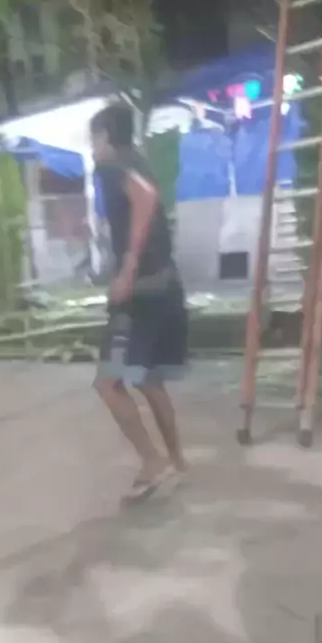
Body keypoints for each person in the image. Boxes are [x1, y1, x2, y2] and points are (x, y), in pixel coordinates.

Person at [91, 103, 188, 501]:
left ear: (105, 137)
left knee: (108, 382)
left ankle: (153, 461)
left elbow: (145, 199)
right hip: (165, 283)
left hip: (140, 292)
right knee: (149, 378)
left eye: (94, 139)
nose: (92, 148)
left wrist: (128, 268)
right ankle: (177, 461)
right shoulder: (139, 161)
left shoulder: (112, 166)